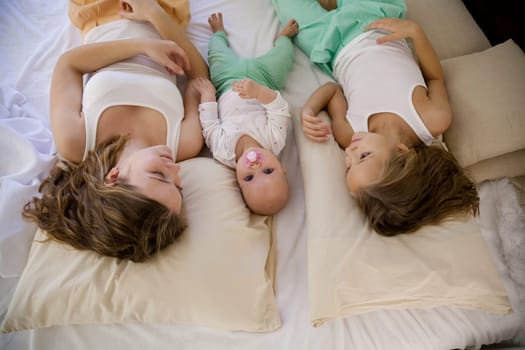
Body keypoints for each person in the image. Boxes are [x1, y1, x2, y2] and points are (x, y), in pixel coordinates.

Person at [22, 0, 209, 262]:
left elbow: (69, 64)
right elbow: (199, 78)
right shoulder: (184, 143)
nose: (174, 169)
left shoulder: (76, 142)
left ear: (113, 176)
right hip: (167, 13)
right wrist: (154, 15)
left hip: (100, 12)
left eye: (158, 175)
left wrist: (142, 46)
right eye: (178, 186)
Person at [272, 0, 479, 235]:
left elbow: (332, 91)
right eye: (363, 156)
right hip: (374, 21)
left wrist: (309, 110)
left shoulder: (349, 134)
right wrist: (415, 32)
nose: (350, 152)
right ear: (401, 151)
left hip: (331, 42)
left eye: (348, 165)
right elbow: (435, 79)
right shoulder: (430, 119)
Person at [191, 12, 298, 215]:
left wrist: (208, 95)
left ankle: (219, 34)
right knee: (284, 57)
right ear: (282, 168)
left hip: (226, 81)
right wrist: (258, 92)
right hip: (265, 79)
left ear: (238, 182)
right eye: (268, 171)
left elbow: (210, 125)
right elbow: (280, 109)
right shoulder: (274, 140)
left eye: (249, 177)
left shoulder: (223, 152)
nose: (256, 165)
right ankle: (282, 39)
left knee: (216, 54)